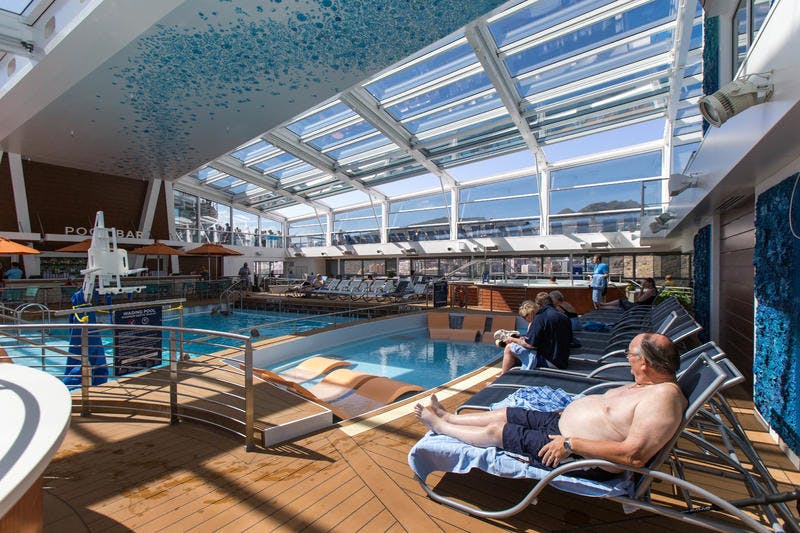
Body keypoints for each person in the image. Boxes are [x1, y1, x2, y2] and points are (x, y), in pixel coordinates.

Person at [415, 333, 686, 478]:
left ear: (644, 363)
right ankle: (448, 416)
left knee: (497, 432)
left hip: (577, 453)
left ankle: (439, 425)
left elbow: (633, 456)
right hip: (561, 426)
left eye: (629, 354)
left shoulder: (663, 398)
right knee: (505, 414)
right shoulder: (648, 386)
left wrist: (570, 444)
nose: (627, 358)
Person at [502, 292, 572, 373]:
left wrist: (512, 339)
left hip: (551, 362)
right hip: (563, 361)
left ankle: (502, 377)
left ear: (538, 305)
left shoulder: (540, 317)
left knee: (509, 348)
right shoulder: (564, 316)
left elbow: (530, 345)